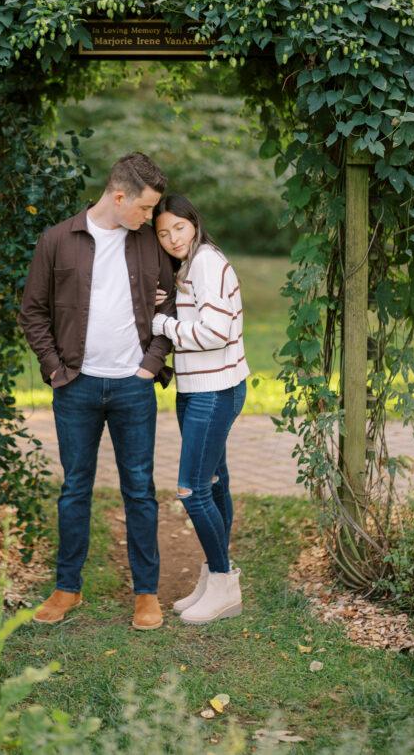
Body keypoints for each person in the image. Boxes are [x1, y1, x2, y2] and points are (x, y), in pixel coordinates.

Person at [18, 152, 176, 630]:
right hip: (76, 387)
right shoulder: (57, 241)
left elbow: (171, 314)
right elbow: (33, 313)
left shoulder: (149, 244)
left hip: (134, 387)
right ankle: (68, 587)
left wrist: (150, 365)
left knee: (140, 491)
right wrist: (55, 371)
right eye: (145, 209)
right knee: (74, 491)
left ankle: (146, 594)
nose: (151, 219)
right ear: (119, 195)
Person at [150, 194, 250, 625]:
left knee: (192, 490)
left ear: (195, 223)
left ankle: (226, 583)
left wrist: (162, 324)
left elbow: (215, 331)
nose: (173, 238)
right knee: (214, 482)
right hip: (199, 388)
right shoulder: (190, 267)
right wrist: (168, 301)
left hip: (214, 390)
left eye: (180, 228)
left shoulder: (206, 261)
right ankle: (214, 576)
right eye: (163, 232)